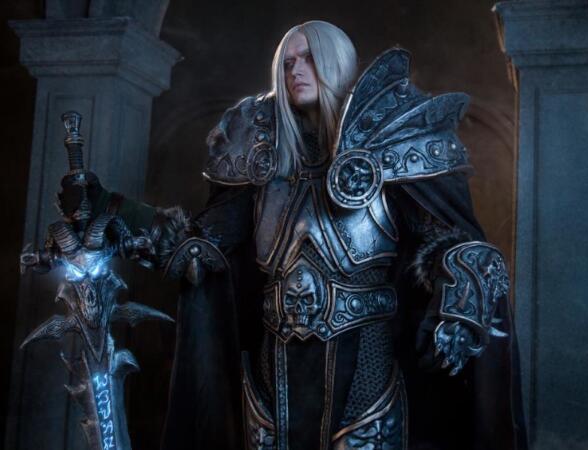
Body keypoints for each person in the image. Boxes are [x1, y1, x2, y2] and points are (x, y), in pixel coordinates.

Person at [60, 20, 526, 450]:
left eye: (308, 59)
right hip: (275, 364)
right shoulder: (259, 156)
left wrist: (460, 291)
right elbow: (198, 248)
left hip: (365, 360)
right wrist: (112, 208)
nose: (295, 71)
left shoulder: (392, 145)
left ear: (336, 63)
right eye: (286, 62)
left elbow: (448, 239)